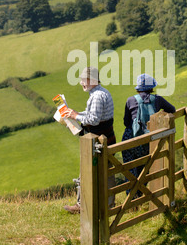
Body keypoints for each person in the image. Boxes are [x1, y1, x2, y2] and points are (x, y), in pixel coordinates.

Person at [63, 66, 116, 214]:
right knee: (107, 171)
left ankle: (83, 206)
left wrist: (75, 116)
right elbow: (92, 114)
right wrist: (77, 114)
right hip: (104, 138)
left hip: (97, 141)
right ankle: (108, 204)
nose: (81, 83)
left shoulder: (97, 96)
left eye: (84, 80)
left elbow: (93, 119)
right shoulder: (100, 92)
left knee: (88, 171)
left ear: (92, 80)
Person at [122, 73, 176, 188]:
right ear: (151, 87)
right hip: (149, 140)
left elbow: (126, 122)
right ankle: (142, 193)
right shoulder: (158, 100)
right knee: (145, 168)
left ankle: (131, 198)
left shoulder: (130, 100)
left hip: (132, 140)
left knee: (129, 168)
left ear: (138, 88)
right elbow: (172, 110)